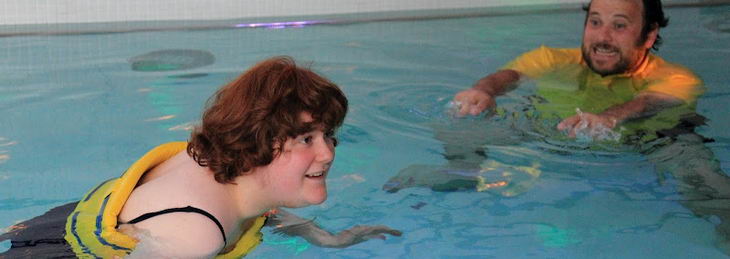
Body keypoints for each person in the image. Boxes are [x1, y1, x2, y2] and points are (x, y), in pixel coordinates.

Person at [390, 0, 730, 254]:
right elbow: (508, 76)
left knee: (698, 165)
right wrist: (483, 91)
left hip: (649, 141)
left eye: (619, 26)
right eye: (595, 22)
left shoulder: (677, 77)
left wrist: (612, 116)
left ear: (649, 34)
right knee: (460, 120)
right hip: (550, 135)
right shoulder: (554, 59)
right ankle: (461, 172)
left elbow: (649, 102)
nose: (603, 37)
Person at [0, 56, 400, 258]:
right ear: (256, 142)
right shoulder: (195, 236)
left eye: (328, 135)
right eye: (305, 138)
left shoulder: (221, 164)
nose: (327, 152)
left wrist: (324, 238)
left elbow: (261, 208)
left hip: (53, 222)